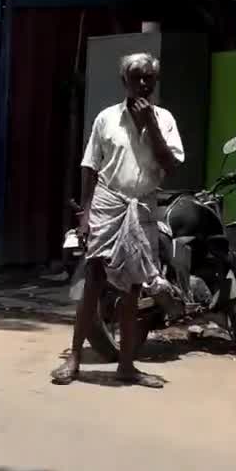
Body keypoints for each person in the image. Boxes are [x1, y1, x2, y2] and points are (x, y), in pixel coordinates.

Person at [52, 52, 185, 389]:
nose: (143, 83)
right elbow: (90, 166)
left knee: (133, 289)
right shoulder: (106, 119)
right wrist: (84, 214)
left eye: (149, 78)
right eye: (137, 77)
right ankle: (75, 358)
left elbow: (171, 165)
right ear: (124, 81)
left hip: (141, 207)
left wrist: (150, 127)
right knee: (93, 283)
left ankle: (126, 365)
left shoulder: (164, 119)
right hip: (107, 205)